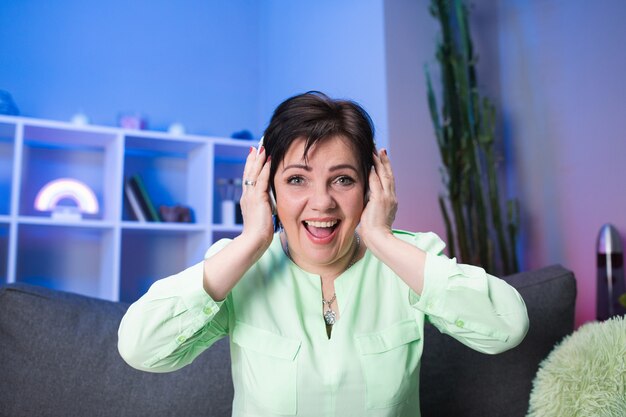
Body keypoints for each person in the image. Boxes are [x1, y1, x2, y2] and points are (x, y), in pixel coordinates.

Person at [118, 91, 529, 416]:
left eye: (343, 180)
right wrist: (253, 238)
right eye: (297, 179)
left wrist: (381, 238)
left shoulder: (409, 257)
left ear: (370, 187)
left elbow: (507, 327)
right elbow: (140, 347)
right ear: (267, 189)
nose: (322, 203)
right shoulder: (239, 265)